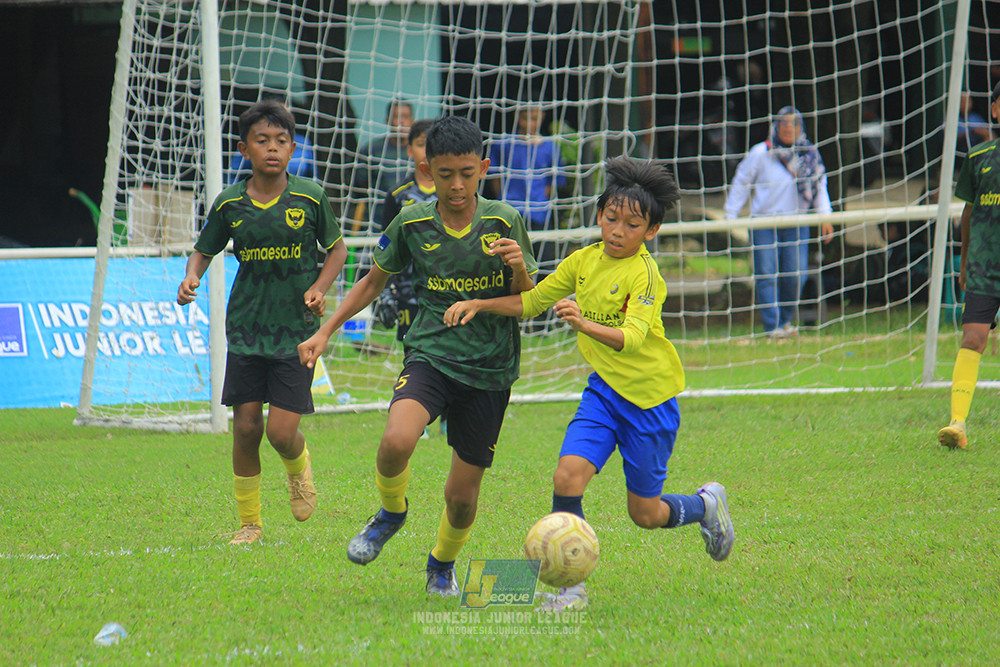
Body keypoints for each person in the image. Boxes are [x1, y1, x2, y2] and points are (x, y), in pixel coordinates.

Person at [443, 157, 735, 613]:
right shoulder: (584, 260)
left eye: (632, 224)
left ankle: (705, 506)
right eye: (611, 218)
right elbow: (535, 300)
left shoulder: (645, 275)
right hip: (603, 394)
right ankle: (570, 590)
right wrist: (480, 303)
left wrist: (582, 322)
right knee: (567, 475)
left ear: (650, 232)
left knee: (645, 513)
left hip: (650, 401)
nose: (618, 230)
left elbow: (633, 338)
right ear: (599, 215)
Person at [297, 116, 538, 596]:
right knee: (396, 440)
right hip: (430, 353)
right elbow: (371, 281)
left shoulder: (505, 220)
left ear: (484, 169)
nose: (456, 184)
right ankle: (390, 512)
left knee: (462, 499)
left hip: (490, 369)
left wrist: (516, 269)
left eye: (467, 173)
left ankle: (440, 566)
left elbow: (527, 302)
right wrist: (326, 330)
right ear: (428, 168)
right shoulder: (411, 221)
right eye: (445, 173)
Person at [177, 99, 348, 545]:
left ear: (292, 149)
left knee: (281, 431)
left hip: (297, 333)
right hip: (247, 329)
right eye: (262, 141)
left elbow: (338, 250)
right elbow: (205, 249)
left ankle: (299, 467)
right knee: (247, 427)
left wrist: (320, 288)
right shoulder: (230, 203)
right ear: (244, 149)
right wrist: (192, 275)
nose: (272, 148)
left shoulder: (310, 196)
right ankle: (250, 524)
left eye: (281, 141)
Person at [724, 106, 834, 338]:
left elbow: (819, 185)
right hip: (764, 224)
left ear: (800, 128)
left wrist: (826, 215)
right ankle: (772, 327)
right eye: (783, 123)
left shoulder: (809, 154)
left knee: (796, 275)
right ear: (776, 125)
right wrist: (730, 215)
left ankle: (785, 321)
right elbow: (742, 181)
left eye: (793, 124)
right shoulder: (761, 152)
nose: (788, 128)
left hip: (795, 223)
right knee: (766, 273)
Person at [936, 82, 1000, 451]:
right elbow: (968, 212)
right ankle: (957, 423)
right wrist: (964, 259)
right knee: (973, 338)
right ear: (994, 111)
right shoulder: (979, 157)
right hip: (984, 267)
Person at [371, 119, 437, 342]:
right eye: (421, 144)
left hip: (447, 288)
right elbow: (386, 246)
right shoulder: (397, 195)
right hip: (409, 292)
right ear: (409, 150)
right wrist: (386, 291)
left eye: (433, 144)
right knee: (413, 352)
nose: (427, 150)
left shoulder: (453, 192)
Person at [488, 103, 566, 275]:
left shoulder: (550, 146)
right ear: (518, 117)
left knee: (543, 263)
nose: (529, 123)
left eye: (534, 118)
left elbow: (551, 183)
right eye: (525, 118)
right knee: (510, 263)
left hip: (539, 212)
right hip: (510, 212)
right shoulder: (504, 144)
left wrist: (539, 201)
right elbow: (494, 177)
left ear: (542, 117)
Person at [351, 99, 415, 234]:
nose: (401, 122)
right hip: (377, 224)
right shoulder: (372, 149)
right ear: (387, 120)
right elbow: (360, 186)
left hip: (414, 223)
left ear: (413, 120)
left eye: (406, 117)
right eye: (396, 117)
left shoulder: (420, 150)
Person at [956, 92, 994, 159]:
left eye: (967, 101)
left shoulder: (976, 118)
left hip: (979, 151)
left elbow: (992, 134)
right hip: (961, 154)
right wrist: (973, 132)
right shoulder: (952, 120)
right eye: (962, 101)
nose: (965, 104)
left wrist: (984, 133)